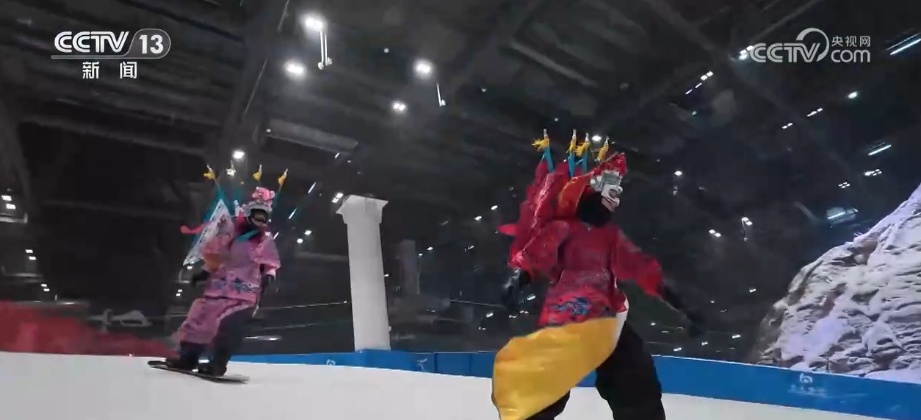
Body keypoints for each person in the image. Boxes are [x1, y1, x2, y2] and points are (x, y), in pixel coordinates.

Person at [492, 131, 703, 420]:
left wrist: (681, 305)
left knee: (635, 378)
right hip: (567, 317)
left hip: (607, 319)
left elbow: (644, 269)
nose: (616, 201)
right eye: (612, 194)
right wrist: (517, 280)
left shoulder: (612, 236)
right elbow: (535, 257)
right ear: (593, 192)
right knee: (544, 387)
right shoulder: (563, 229)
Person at [163, 186, 281, 376]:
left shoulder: (263, 239)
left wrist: (269, 275)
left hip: (243, 293)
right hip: (218, 288)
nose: (260, 221)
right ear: (249, 214)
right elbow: (217, 257)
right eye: (257, 216)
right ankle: (188, 357)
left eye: (264, 218)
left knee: (229, 326)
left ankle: (218, 363)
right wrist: (204, 272)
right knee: (199, 320)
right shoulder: (231, 233)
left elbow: (270, 262)